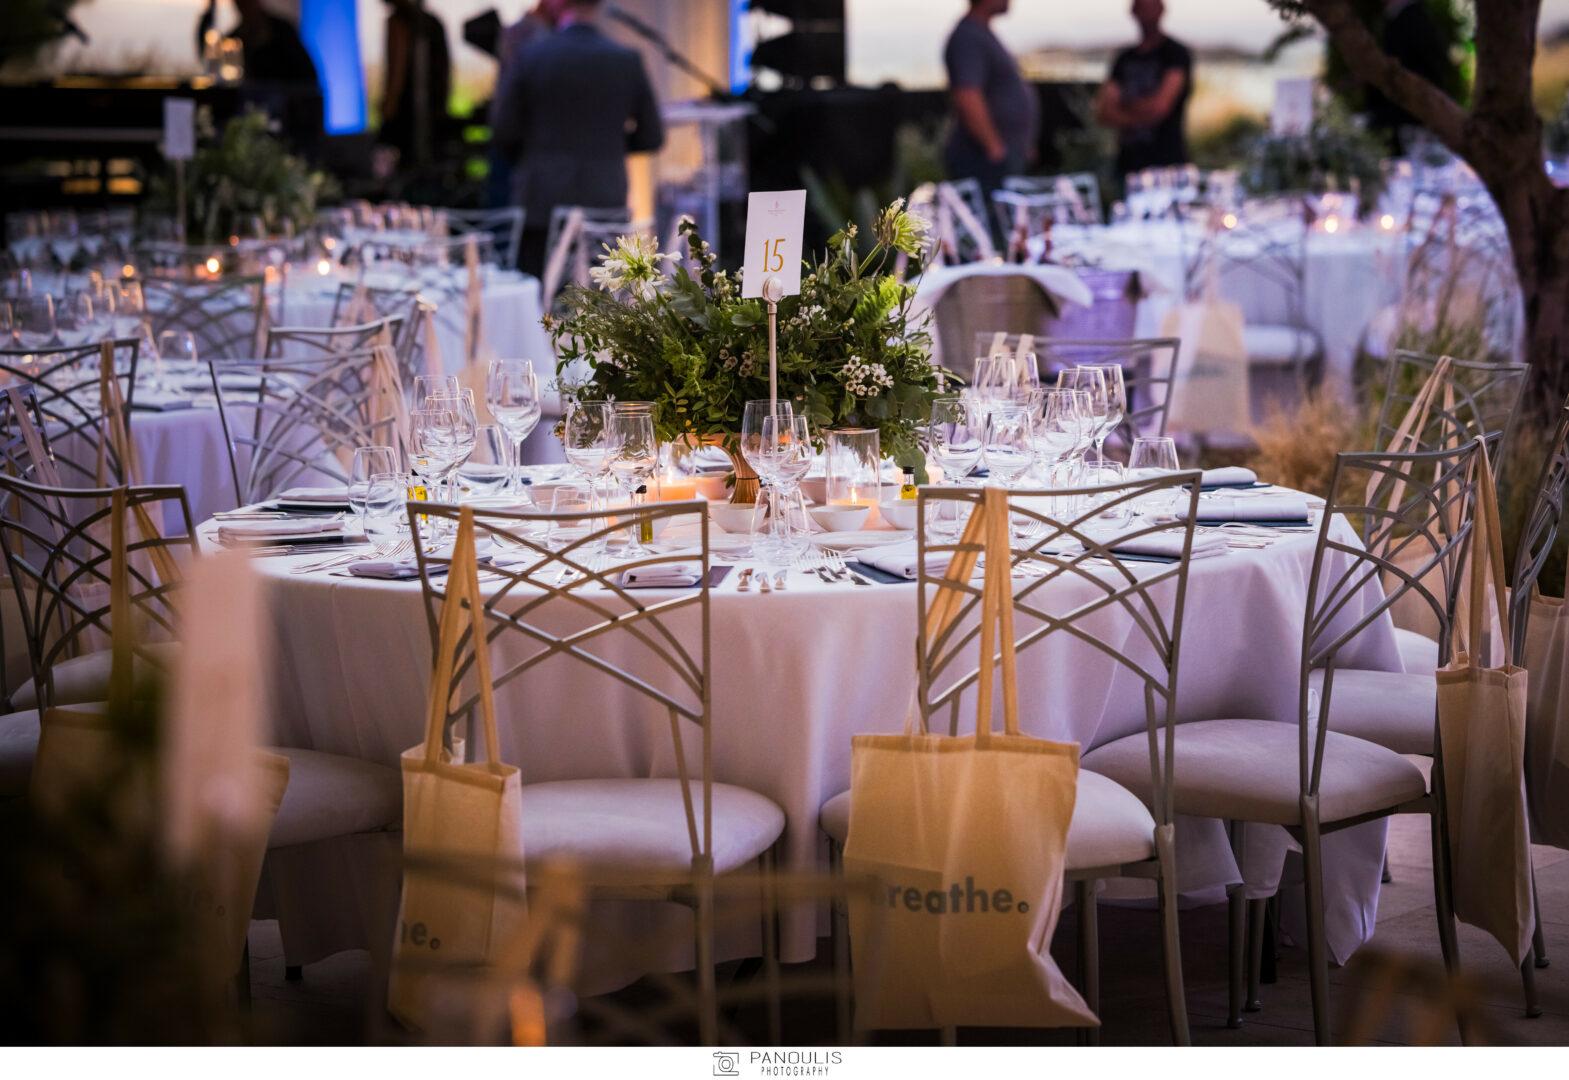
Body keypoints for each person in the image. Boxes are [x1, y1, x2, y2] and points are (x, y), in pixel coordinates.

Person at [489, 0, 664, 277]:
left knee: (539, 293)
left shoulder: (531, 56)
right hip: (605, 200)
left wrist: (533, 155)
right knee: (603, 295)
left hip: (541, 201)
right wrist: (609, 146)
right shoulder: (626, 59)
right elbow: (652, 136)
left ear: (558, 4)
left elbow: (503, 131)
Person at [195, 0, 322, 153]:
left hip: (286, 118)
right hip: (248, 115)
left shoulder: (281, 32)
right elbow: (210, 57)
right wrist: (209, 13)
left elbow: (307, 77)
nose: (244, 7)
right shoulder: (235, 39)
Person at [942, 0, 1039, 194]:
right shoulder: (968, 36)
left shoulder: (981, 33)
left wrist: (1020, 145)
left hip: (1000, 156)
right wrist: (995, 148)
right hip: (983, 161)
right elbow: (967, 95)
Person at [1096, 0, 1192, 179]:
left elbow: (1160, 108)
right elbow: (1104, 112)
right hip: (1127, 167)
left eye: (1150, 6)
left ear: (1161, 10)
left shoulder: (1175, 54)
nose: (1146, 14)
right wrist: (1144, 112)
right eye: (1142, 7)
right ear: (1133, 12)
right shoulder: (1124, 58)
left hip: (1168, 167)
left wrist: (1124, 106)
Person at [1366, 0, 1461, 153]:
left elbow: (1428, 68)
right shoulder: (1401, 18)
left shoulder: (1411, 19)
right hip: (1408, 118)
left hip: (1412, 121)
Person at [380, 0, 451, 167]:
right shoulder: (431, 23)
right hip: (428, 115)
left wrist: (389, 109)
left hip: (412, 116)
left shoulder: (401, 23)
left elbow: (396, 71)